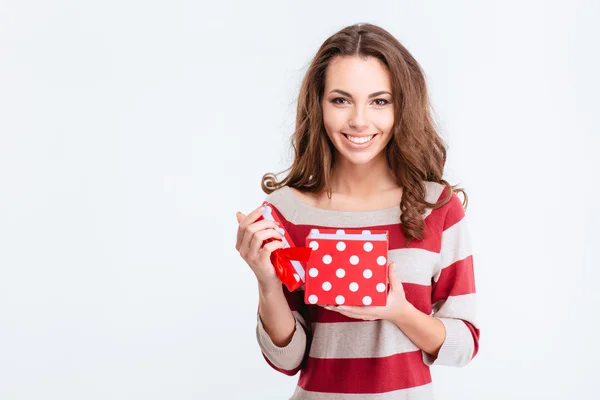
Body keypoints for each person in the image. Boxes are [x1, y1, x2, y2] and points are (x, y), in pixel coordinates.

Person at [235, 23, 479, 400]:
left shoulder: (437, 208)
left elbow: (464, 345)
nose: (359, 121)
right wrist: (267, 281)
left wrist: (399, 312)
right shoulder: (287, 213)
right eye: (341, 100)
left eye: (380, 101)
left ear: (402, 106)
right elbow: (288, 358)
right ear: (318, 104)